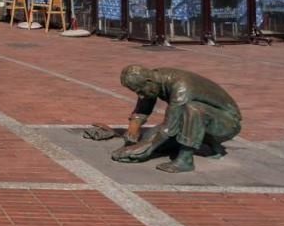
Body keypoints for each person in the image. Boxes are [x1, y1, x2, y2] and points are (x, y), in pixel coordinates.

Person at [95, 65, 243, 173]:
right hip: (206, 120)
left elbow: (169, 126)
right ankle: (204, 143)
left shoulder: (181, 86)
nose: (140, 95)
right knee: (150, 140)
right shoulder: (155, 80)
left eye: (140, 91)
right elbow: (142, 110)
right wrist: (132, 135)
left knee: (192, 109)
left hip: (226, 124)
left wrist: (144, 148)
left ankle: (185, 159)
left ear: (148, 81)